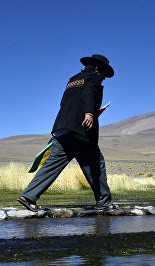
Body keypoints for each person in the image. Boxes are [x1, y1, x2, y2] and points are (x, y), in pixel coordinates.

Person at [18, 54, 117, 212]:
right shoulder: (94, 78)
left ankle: (28, 196)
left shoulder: (73, 80)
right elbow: (89, 94)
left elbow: (66, 102)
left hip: (61, 130)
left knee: (51, 165)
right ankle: (104, 203)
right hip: (80, 130)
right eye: (104, 73)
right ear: (99, 69)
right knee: (96, 164)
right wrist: (89, 114)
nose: (104, 77)